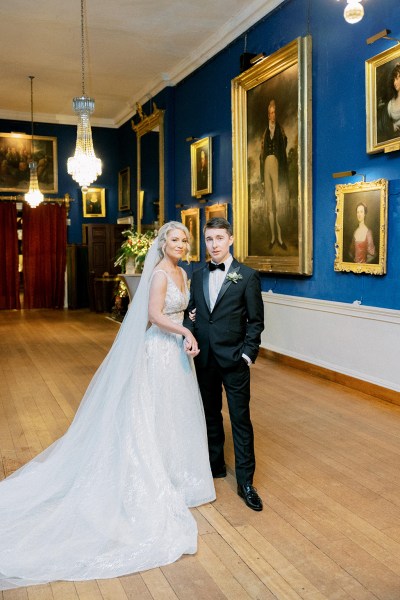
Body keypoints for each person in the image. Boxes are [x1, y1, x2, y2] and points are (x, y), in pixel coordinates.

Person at [0, 221, 215, 591]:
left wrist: (189, 321)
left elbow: (179, 311)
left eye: (185, 240)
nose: (180, 245)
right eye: (174, 240)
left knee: (175, 415)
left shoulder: (183, 272)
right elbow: (154, 316)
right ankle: (154, 473)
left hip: (177, 355)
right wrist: (184, 331)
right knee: (154, 414)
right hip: (160, 352)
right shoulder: (162, 274)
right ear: (163, 244)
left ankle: (175, 472)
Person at [184, 217, 265, 512]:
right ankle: (215, 466)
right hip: (204, 358)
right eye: (209, 239)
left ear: (230, 239)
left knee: (240, 420)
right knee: (209, 415)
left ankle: (245, 482)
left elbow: (256, 322)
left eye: (219, 238)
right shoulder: (197, 274)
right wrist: (188, 331)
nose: (214, 244)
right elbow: (190, 312)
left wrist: (246, 355)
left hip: (234, 360)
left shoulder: (247, 276)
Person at [259, 99, 289, 250]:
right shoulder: (265, 132)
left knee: (278, 202)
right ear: (268, 115)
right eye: (270, 113)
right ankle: (272, 237)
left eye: (274, 112)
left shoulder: (280, 130)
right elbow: (261, 156)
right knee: (270, 203)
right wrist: (261, 179)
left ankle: (280, 237)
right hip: (266, 166)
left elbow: (284, 147)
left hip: (277, 165)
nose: (272, 115)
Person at [377, 62, 400, 143]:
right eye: (394, 79)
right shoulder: (390, 104)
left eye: (397, 78)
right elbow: (380, 127)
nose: (394, 83)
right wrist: (391, 127)